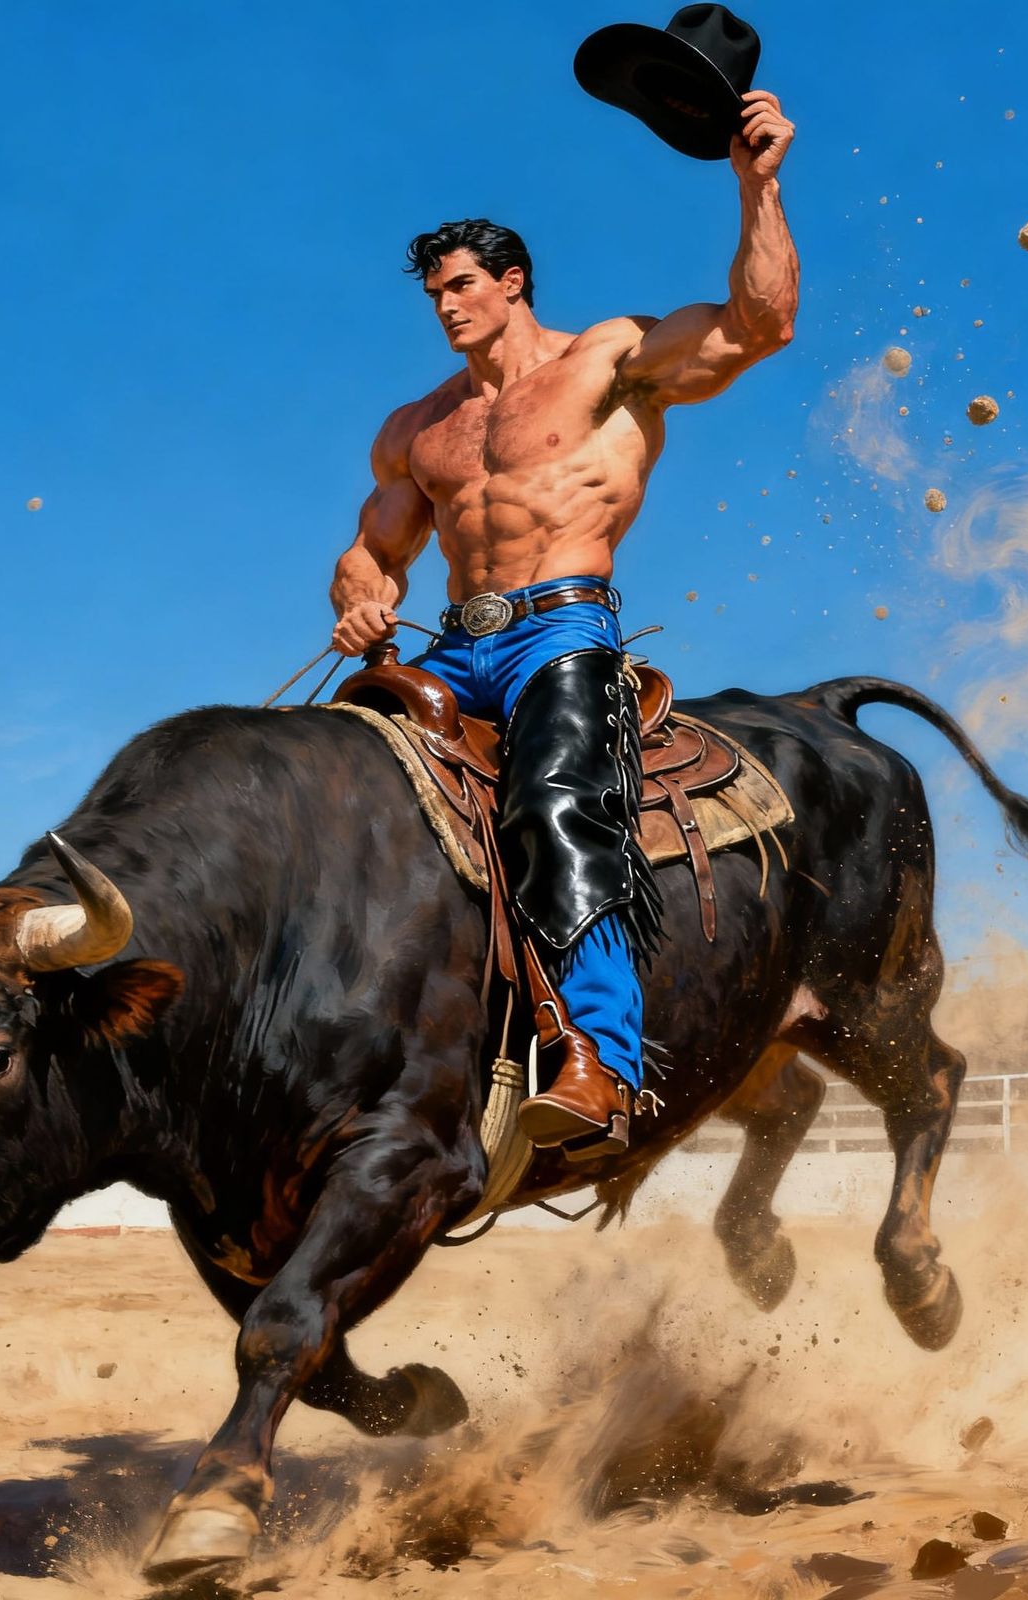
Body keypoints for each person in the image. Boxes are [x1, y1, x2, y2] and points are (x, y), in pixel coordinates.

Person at [328, 92, 798, 1156]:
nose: (446, 307)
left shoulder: (607, 359)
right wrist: (357, 595)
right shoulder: (419, 428)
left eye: (461, 286)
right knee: (344, 793)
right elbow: (373, 547)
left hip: (559, 632)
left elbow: (758, 324)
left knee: (553, 805)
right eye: (433, 293)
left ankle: (600, 1063)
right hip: (452, 644)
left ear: (511, 282)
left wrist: (755, 184)